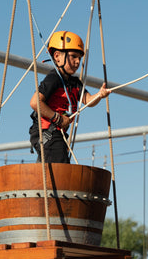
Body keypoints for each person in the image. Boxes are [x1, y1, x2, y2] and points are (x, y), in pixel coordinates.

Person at [29, 30, 111, 163]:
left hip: (57, 133)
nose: (77, 62)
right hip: (46, 132)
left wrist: (100, 95)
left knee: (58, 163)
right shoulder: (54, 78)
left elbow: (88, 101)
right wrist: (57, 118)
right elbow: (35, 102)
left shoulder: (74, 83)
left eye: (79, 58)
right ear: (57, 56)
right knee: (59, 165)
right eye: (73, 56)